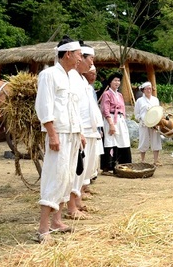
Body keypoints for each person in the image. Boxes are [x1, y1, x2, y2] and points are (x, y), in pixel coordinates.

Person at [34, 36, 84, 243]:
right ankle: (42, 229)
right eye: (79, 55)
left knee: (67, 176)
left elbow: (74, 108)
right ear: (68, 54)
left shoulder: (72, 77)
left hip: (72, 133)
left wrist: (79, 132)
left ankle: (57, 221)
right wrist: (52, 134)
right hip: (59, 133)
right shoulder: (49, 75)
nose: (81, 59)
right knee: (55, 175)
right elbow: (44, 106)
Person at [66, 43, 97, 221]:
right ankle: (71, 207)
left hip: (85, 129)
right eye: (90, 58)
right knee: (75, 169)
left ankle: (76, 202)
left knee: (81, 169)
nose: (92, 63)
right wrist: (80, 131)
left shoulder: (82, 80)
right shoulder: (71, 77)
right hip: (77, 130)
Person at [99, 73, 132, 174]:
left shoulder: (120, 95)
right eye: (115, 80)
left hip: (120, 119)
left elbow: (123, 109)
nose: (117, 82)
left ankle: (122, 165)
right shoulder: (106, 94)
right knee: (110, 142)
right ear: (110, 82)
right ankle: (107, 167)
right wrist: (111, 124)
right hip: (111, 119)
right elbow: (105, 110)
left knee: (123, 141)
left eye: (118, 80)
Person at [81, 65, 103, 196]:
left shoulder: (91, 89)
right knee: (84, 159)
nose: (94, 76)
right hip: (84, 129)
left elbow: (94, 110)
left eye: (95, 74)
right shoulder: (81, 86)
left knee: (92, 159)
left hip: (93, 128)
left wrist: (98, 128)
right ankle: (80, 190)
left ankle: (86, 186)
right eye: (91, 73)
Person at [134, 81, 162, 166]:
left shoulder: (155, 100)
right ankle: (142, 160)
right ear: (143, 90)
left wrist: (157, 122)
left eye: (150, 88)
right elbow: (136, 114)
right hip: (144, 123)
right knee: (143, 140)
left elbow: (158, 111)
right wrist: (141, 120)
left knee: (156, 140)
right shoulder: (139, 101)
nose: (149, 90)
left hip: (154, 123)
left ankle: (156, 160)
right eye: (147, 89)